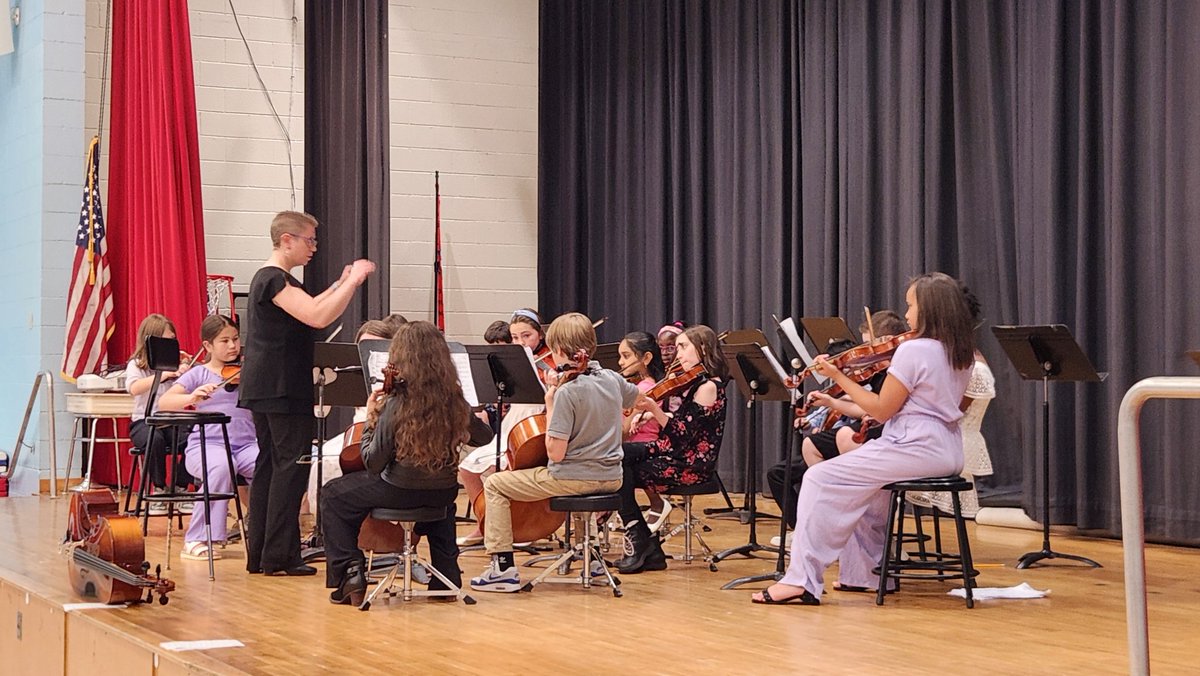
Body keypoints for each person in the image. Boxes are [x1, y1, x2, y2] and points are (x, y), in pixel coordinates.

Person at [752, 272, 977, 605]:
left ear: (928, 309)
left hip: (912, 446)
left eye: (911, 305)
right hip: (947, 448)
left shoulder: (914, 351)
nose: (908, 314)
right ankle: (864, 575)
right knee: (868, 489)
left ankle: (800, 579)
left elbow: (882, 409)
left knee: (818, 477)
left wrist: (837, 375)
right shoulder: (960, 352)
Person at [238, 210, 375, 576]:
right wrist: (354, 281)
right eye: (309, 239)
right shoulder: (273, 278)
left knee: (271, 467)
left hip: (270, 386)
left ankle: (264, 554)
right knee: (288, 469)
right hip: (281, 387)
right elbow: (316, 315)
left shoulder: (277, 281)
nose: (314, 247)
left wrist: (340, 283)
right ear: (287, 240)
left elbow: (315, 305)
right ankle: (280, 555)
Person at [322, 321, 494, 605]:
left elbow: (373, 462)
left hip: (398, 489)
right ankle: (445, 577)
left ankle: (350, 572)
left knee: (333, 494)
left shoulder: (395, 401)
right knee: (441, 503)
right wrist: (459, 425)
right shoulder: (453, 399)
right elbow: (484, 437)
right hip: (443, 491)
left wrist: (370, 417)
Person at [470, 312, 641, 592]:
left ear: (559, 350)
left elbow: (556, 453)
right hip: (612, 476)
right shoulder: (611, 378)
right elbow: (640, 398)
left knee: (495, 484)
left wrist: (550, 402)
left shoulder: (566, 393)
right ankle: (593, 559)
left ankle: (502, 568)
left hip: (573, 476)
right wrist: (624, 423)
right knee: (579, 483)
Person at [766, 310, 909, 540]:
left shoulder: (897, 370)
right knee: (809, 446)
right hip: (872, 427)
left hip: (889, 434)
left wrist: (838, 384)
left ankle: (847, 519)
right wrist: (831, 400)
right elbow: (867, 407)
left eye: (870, 347)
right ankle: (826, 520)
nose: (866, 355)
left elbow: (876, 408)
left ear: (885, 343)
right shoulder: (877, 371)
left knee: (836, 438)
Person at [614, 325, 729, 574]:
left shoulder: (708, 386)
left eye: (683, 347)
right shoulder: (697, 383)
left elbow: (680, 436)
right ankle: (645, 541)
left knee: (621, 464)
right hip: (675, 452)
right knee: (618, 456)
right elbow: (687, 424)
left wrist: (653, 409)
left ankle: (640, 537)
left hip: (690, 465)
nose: (678, 354)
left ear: (704, 349)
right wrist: (655, 415)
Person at [156, 315, 258, 561]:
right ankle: (197, 538)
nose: (233, 346)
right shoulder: (199, 374)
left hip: (247, 444)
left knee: (270, 464)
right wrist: (192, 398)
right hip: (207, 445)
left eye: (235, 339)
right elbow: (164, 402)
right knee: (223, 466)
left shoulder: (247, 371)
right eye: (224, 341)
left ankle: (266, 531)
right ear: (207, 346)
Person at [455, 310, 548, 546]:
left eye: (526, 336)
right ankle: (483, 523)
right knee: (467, 468)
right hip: (514, 423)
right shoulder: (515, 362)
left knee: (508, 473)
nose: (520, 343)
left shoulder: (548, 362)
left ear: (540, 334)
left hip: (537, 422)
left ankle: (521, 525)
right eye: (515, 338)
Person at [125, 314, 194, 514]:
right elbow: (135, 388)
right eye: (164, 341)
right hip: (144, 422)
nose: (169, 345)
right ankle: (159, 489)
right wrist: (164, 374)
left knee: (196, 438)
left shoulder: (176, 364)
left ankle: (181, 487)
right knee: (153, 440)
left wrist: (185, 370)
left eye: (172, 340)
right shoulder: (136, 364)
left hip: (173, 421)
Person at [616, 331, 671, 531]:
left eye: (626, 356)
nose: (621, 362)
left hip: (642, 446)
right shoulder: (639, 385)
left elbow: (624, 432)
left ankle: (633, 515)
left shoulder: (644, 389)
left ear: (646, 358)